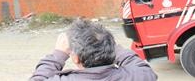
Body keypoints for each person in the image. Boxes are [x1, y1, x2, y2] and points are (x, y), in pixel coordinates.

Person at [29, 19, 157, 81]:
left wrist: (58, 54)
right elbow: (140, 66)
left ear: (76, 58)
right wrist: (110, 45)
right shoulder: (137, 76)